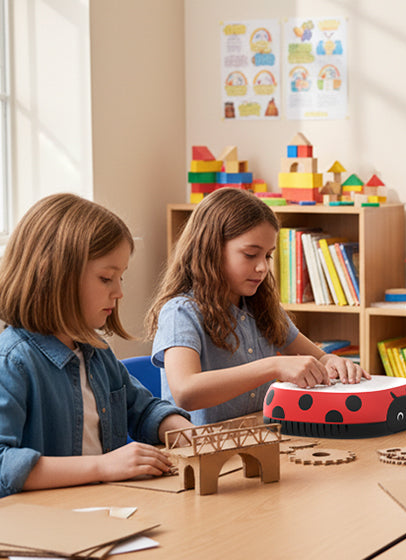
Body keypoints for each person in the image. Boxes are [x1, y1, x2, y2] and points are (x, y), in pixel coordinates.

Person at [0, 194, 193, 497]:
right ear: (54, 275)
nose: (118, 292)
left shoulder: (96, 352)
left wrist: (186, 431)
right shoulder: (12, 361)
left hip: (104, 509)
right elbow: (3, 463)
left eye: (120, 278)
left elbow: (142, 410)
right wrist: (103, 466)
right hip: (44, 524)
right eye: (106, 278)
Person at [147, 188, 368, 424]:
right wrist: (273, 366)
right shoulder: (181, 312)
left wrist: (333, 362)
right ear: (210, 250)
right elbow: (185, 392)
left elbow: (319, 358)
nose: (263, 267)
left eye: (268, 256)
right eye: (250, 254)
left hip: (259, 442)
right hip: (203, 451)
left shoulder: (260, 307)